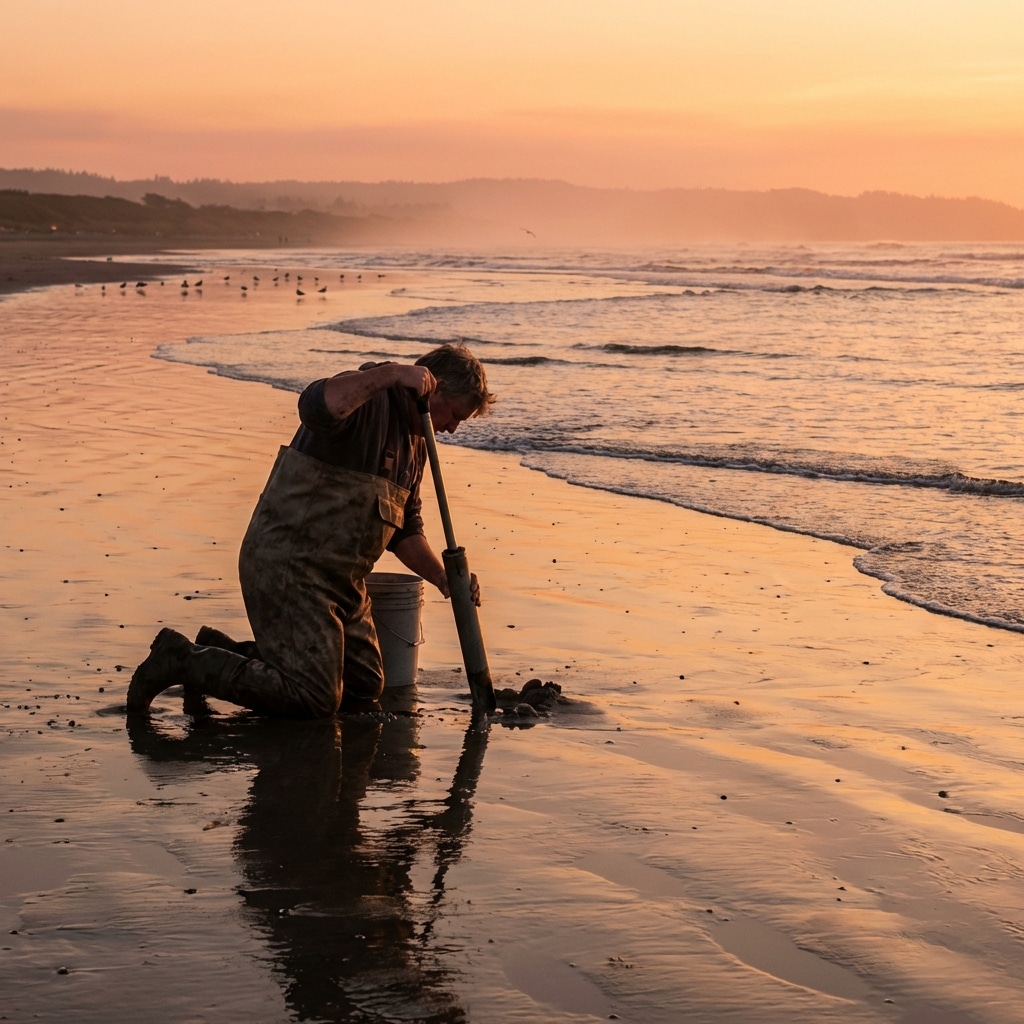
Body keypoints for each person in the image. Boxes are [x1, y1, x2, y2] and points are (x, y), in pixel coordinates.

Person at [127, 343, 494, 717]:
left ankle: (219, 653)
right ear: (433, 386)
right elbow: (316, 405)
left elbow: (404, 529)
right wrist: (391, 374)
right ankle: (181, 659)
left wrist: (443, 577)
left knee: (363, 686)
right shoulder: (368, 396)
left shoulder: (415, 445)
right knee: (316, 697)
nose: (451, 427)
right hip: (291, 565)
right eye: (453, 415)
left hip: (342, 583)